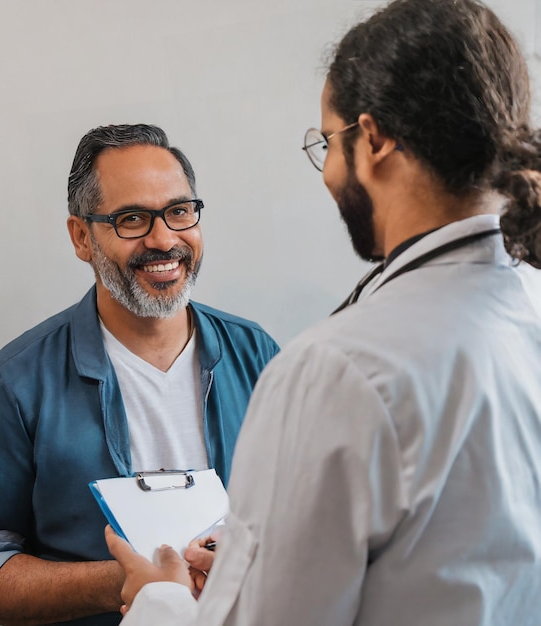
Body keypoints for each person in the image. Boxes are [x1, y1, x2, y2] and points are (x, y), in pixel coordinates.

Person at [105, 1, 541, 624]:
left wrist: (160, 598)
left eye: (327, 143)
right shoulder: (529, 302)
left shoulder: (335, 370)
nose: (328, 171)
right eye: (130, 218)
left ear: (374, 139)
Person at [0, 124, 279, 626]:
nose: (164, 240)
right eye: (132, 219)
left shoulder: (258, 354)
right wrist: (123, 583)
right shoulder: (16, 381)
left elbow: (316, 513)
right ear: (82, 237)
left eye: (179, 211)